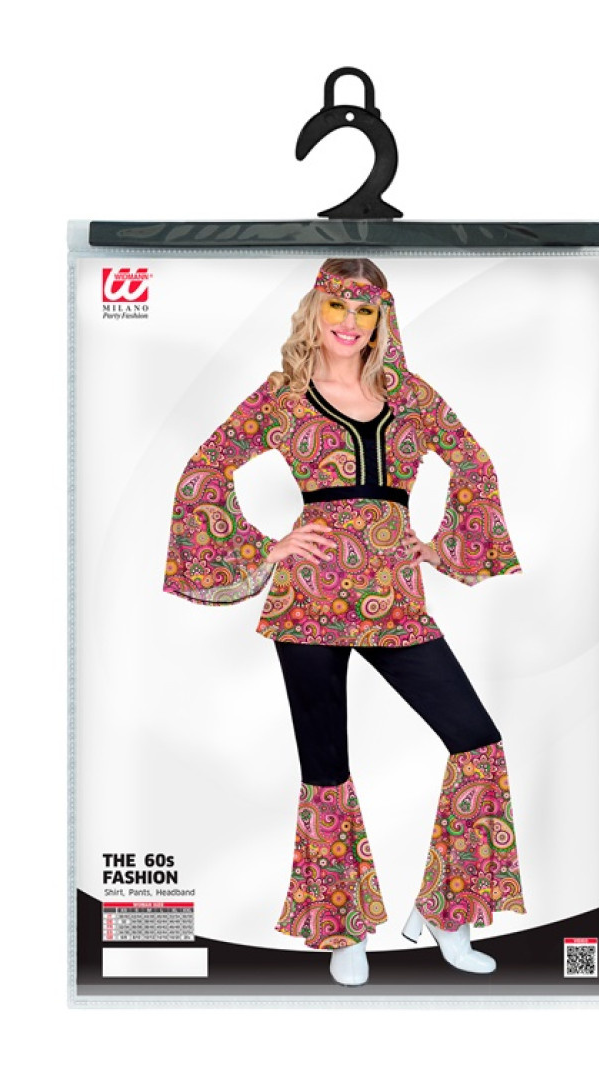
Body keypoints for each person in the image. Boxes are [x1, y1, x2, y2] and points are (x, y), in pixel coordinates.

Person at [162, 258, 524, 987]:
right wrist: (270, 547)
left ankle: (448, 911)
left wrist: (443, 549)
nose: (350, 324)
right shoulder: (283, 394)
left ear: (381, 318)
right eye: (338, 308)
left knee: (477, 741)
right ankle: (343, 929)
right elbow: (204, 468)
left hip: (396, 600)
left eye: (365, 312)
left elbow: (475, 463)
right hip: (308, 604)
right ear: (315, 311)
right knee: (326, 768)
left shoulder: (410, 395)